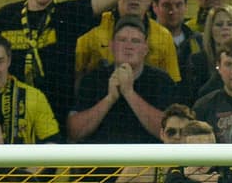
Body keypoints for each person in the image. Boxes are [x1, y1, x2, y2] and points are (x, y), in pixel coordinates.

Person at [68, 16, 176, 144]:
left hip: (146, 155)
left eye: (135, 41)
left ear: (145, 49)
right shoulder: (92, 78)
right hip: (102, 154)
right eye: (122, 40)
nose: (128, 46)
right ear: (112, 46)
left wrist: (129, 93)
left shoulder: (162, 81)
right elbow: (74, 133)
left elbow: (170, 133)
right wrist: (109, 99)